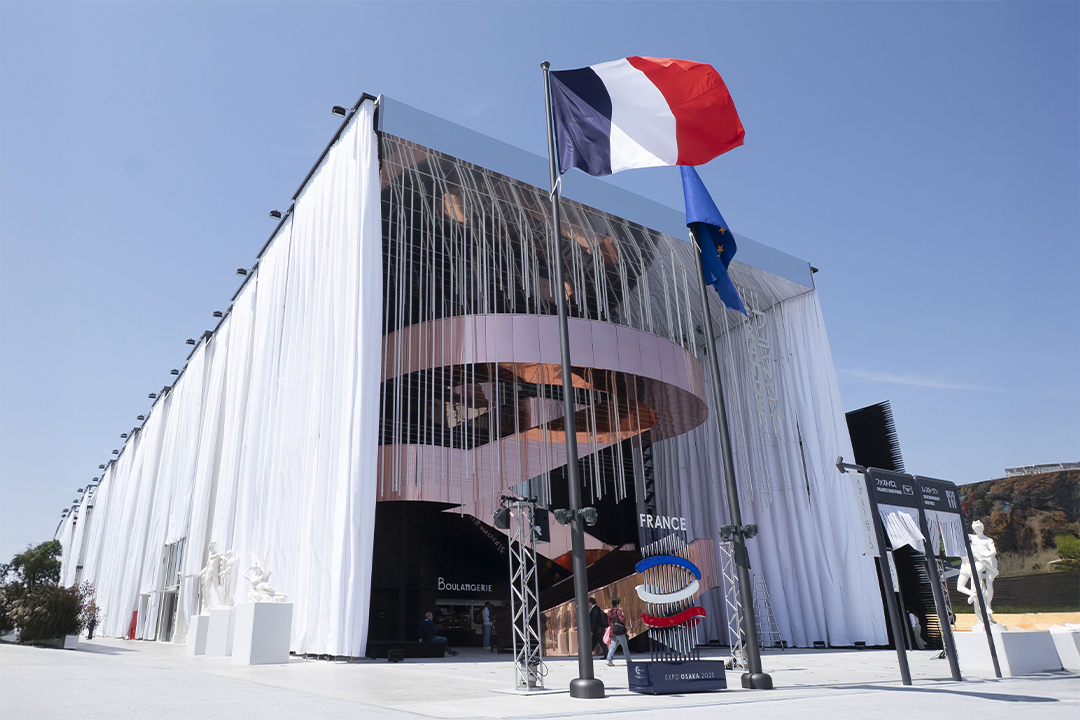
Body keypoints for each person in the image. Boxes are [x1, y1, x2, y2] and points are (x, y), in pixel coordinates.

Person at [605, 597, 630, 666]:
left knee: (613, 646)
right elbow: (622, 620)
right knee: (625, 647)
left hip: (613, 631)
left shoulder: (610, 612)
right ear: (617, 604)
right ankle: (629, 661)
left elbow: (608, 622)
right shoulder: (618, 611)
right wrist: (623, 617)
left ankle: (609, 660)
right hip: (619, 632)